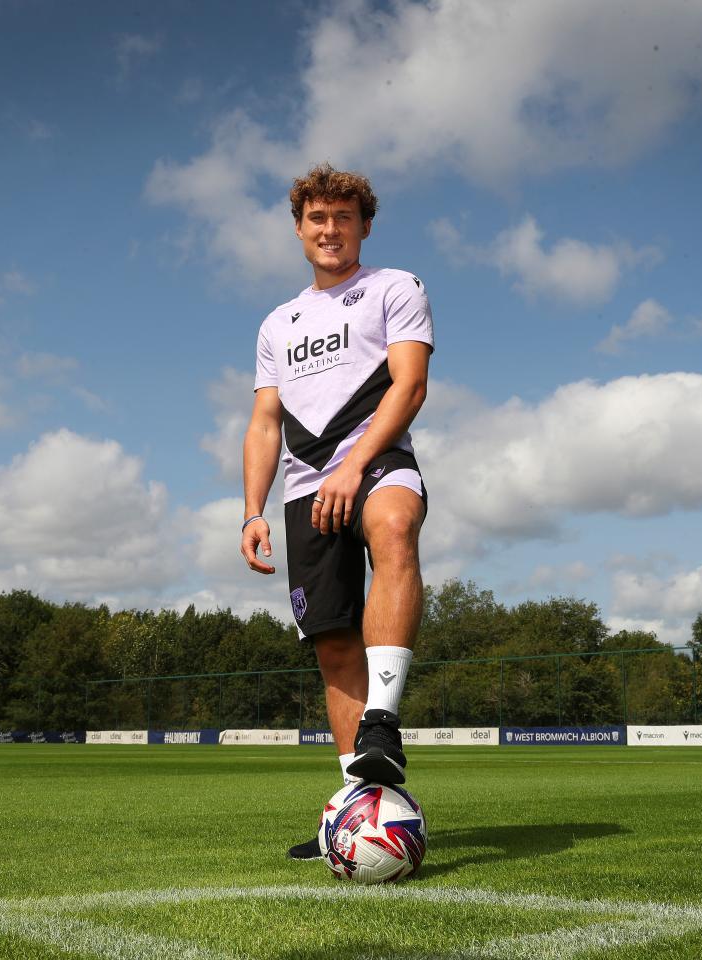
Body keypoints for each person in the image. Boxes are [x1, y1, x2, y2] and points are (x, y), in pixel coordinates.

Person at [239, 163, 433, 860]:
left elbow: (409, 387)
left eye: (343, 218)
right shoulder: (277, 323)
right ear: (299, 229)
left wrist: (353, 466)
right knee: (332, 646)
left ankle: (382, 721)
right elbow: (265, 422)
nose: (330, 229)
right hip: (301, 490)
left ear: (364, 226)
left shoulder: (394, 288)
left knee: (394, 527)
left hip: (376, 462)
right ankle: (356, 807)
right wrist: (251, 511)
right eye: (317, 218)